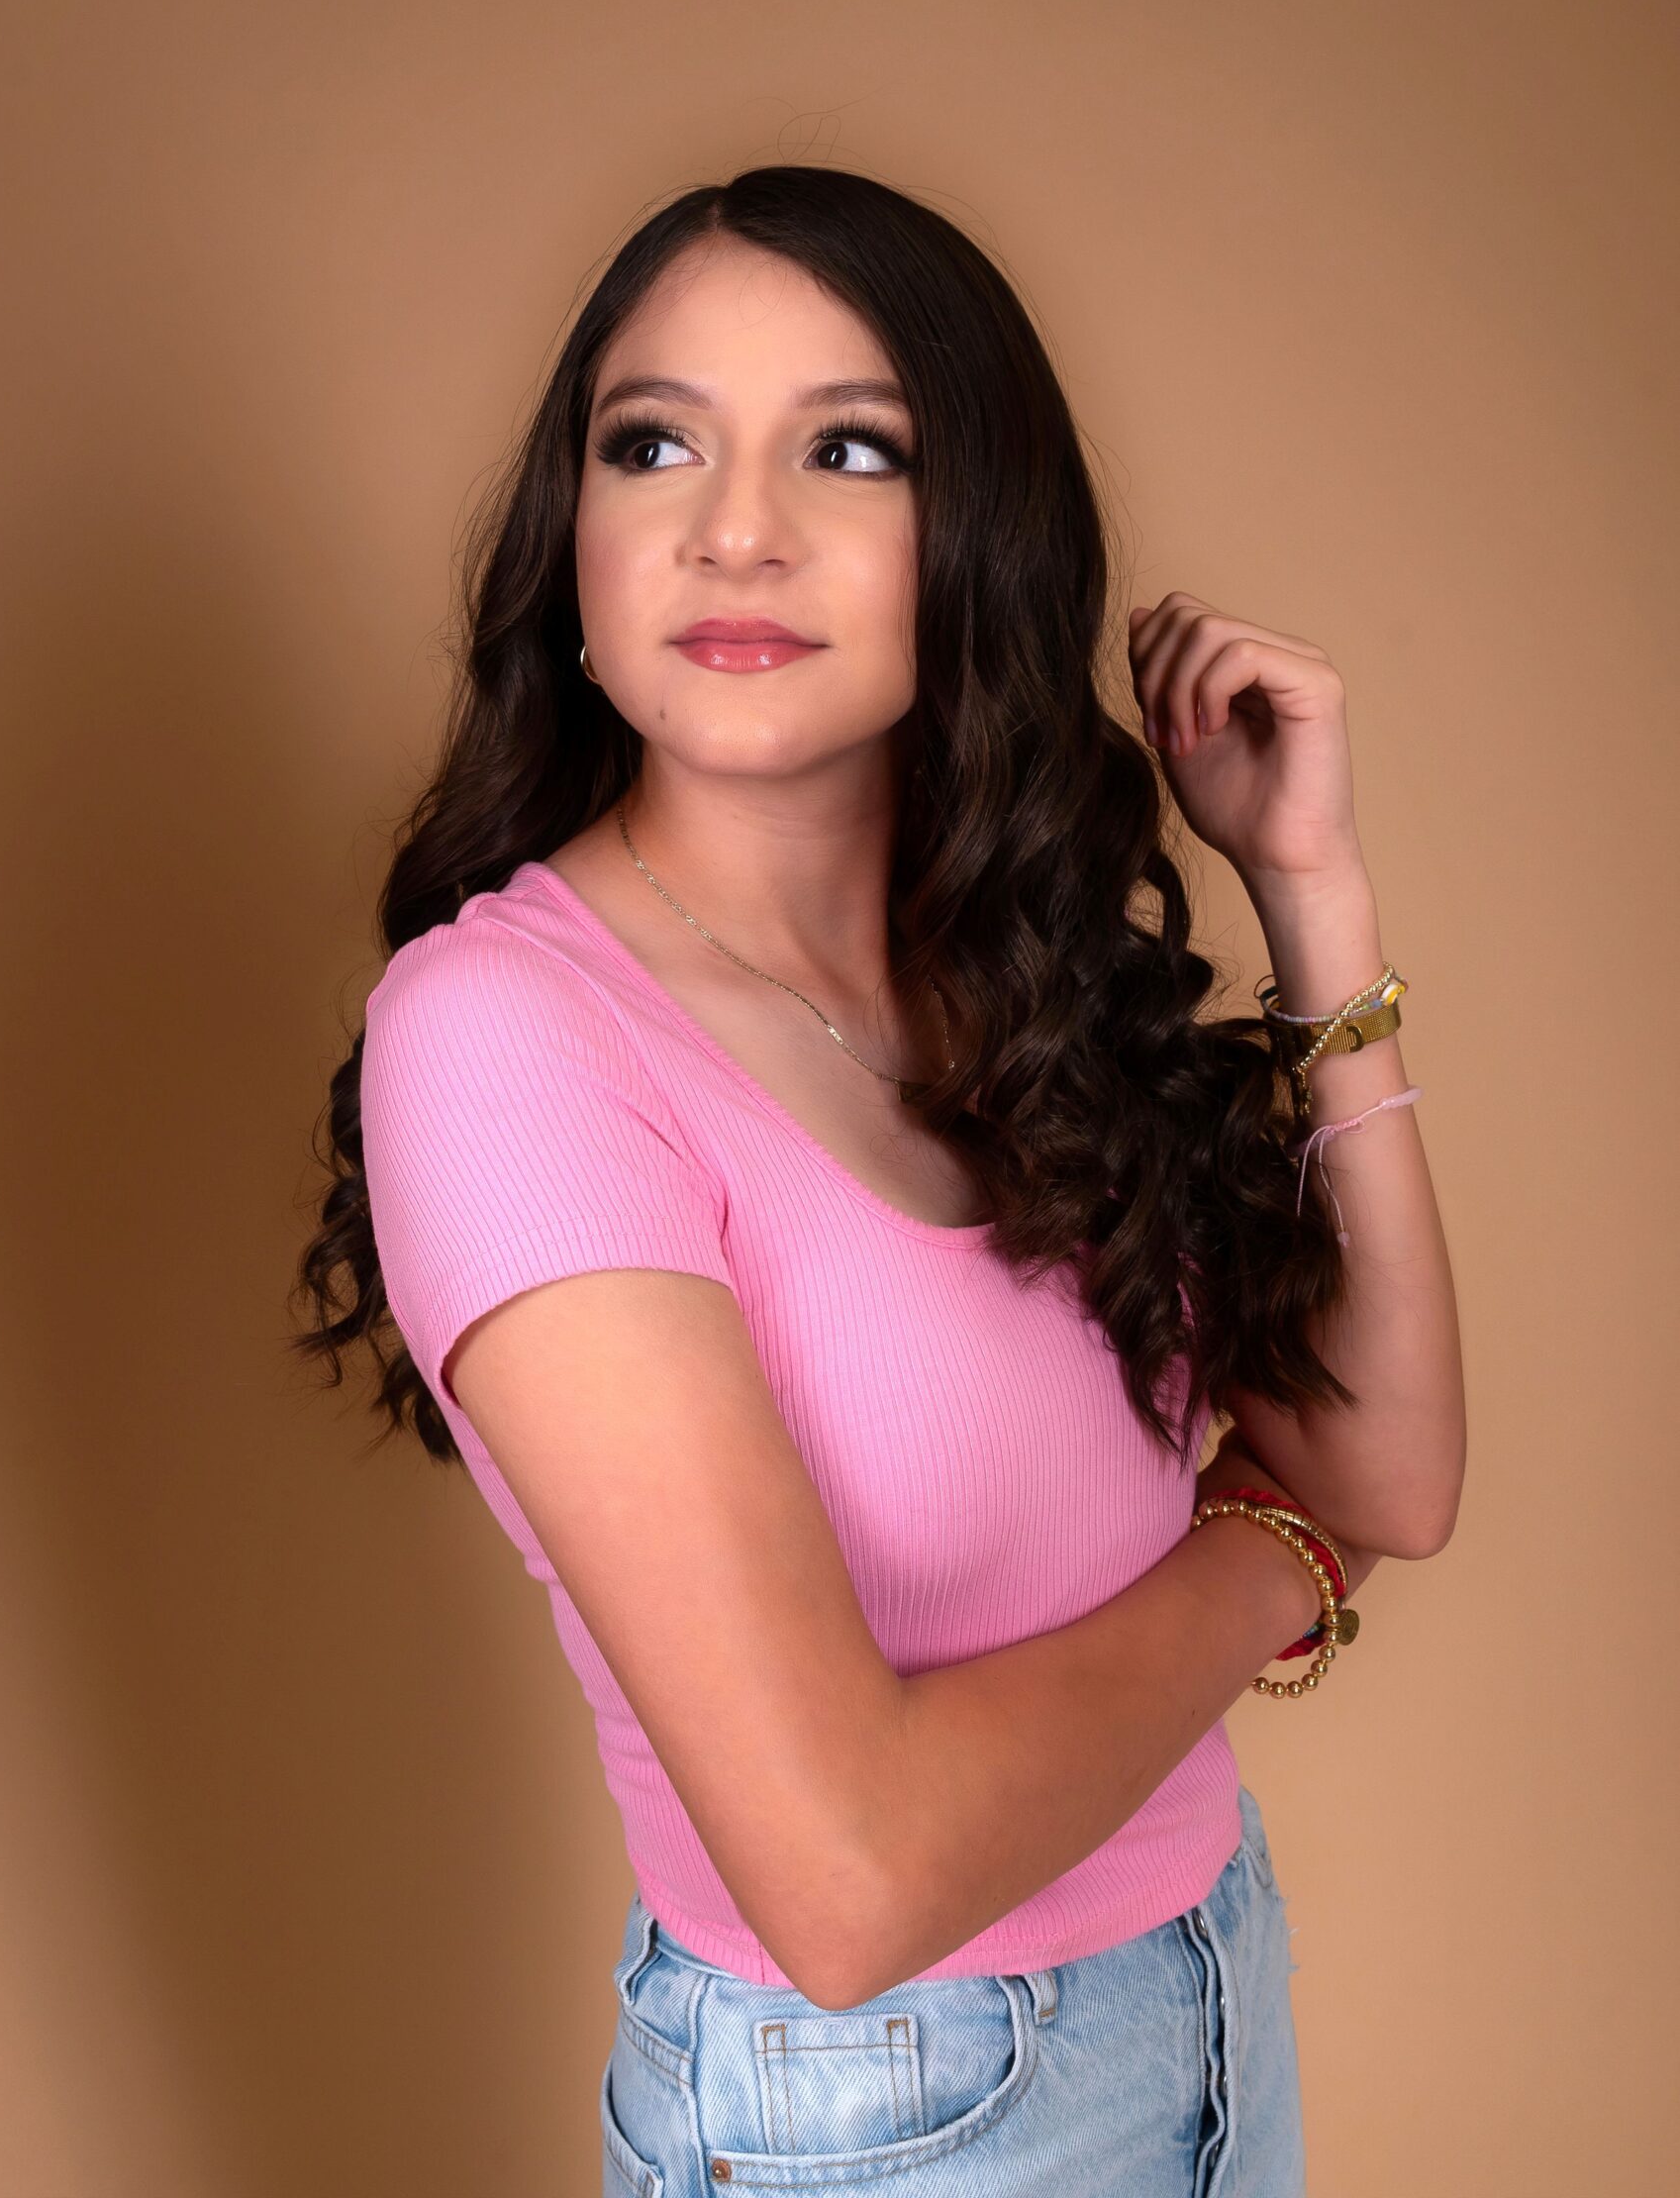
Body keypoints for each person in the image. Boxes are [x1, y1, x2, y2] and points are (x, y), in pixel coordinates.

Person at [292, 163, 1464, 2194]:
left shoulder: (1012, 975)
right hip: (884, 2110)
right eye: (652, 443)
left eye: (849, 448)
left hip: (1204, 1986)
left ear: (979, 537)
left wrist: (1311, 889)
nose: (734, 527)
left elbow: (1403, 1469)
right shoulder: (505, 1033)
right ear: (574, 544)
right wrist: (1282, 1553)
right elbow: (846, 1878)